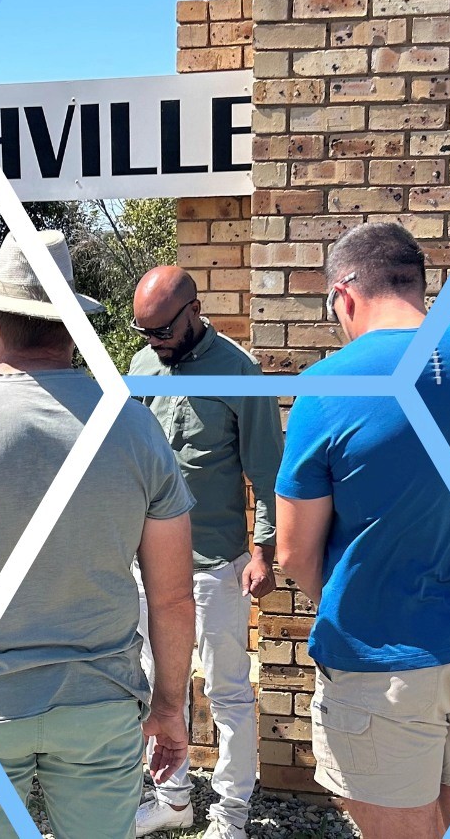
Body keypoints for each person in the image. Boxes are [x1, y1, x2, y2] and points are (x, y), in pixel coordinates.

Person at [0, 230, 198, 839]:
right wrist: (169, 708)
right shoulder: (135, 426)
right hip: (100, 703)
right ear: (76, 327)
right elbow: (173, 597)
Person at [274, 222, 450, 839]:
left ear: (344, 295)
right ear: (419, 286)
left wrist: (358, 607)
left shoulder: (329, 386)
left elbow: (292, 552)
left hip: (385, 658)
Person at [127, 266, 282, 839]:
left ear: (194, 310)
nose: (156, 343)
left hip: (218, 566)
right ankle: (172, 799)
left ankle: (231, 814)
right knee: (153, 686)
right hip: (147, 569)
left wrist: (263, 551)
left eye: (163, 330)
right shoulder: (141, 369)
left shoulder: (240, 372)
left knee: (227, 691)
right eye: (145, 333)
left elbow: (267, 471)